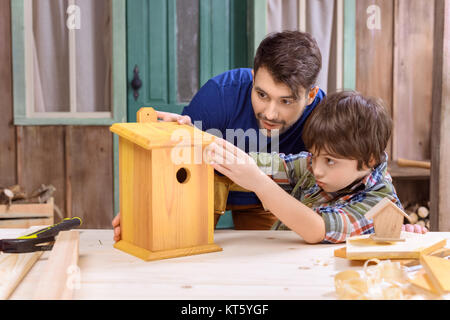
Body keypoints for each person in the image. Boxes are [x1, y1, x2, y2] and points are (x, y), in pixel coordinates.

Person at [113, 30, 325, 240]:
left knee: (270, 254)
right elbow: (171, 159)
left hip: (268, 194)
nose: (270, 113)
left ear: (310, 96)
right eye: (261, 94)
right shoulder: (220, 94)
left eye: (285, 101)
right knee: (176, 242)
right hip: (203, 185)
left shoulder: (323, 116)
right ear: (253, 78)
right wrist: (142, 203)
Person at [206, 91, 428, 244]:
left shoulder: (380, 204)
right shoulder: (316, 166)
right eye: (314, 155)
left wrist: (259, 184)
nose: (317, 169)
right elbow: (258, 164)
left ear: (369, 159)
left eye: (330, 161)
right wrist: (200, 143)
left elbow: (317, 229)